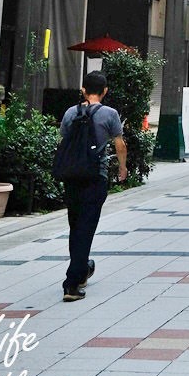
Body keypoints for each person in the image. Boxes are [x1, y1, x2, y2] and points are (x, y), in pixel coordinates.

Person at [59, 71, 127, 303]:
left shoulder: (70, 113)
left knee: (75, 224)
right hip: (95, 176)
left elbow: (63, 141)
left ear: (83, 89)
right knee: (86, 228)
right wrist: (122, 169)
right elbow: (120, 144)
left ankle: (82, 269)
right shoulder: (110, 114)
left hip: (71, 176)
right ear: (105, 90)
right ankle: (72, 282)